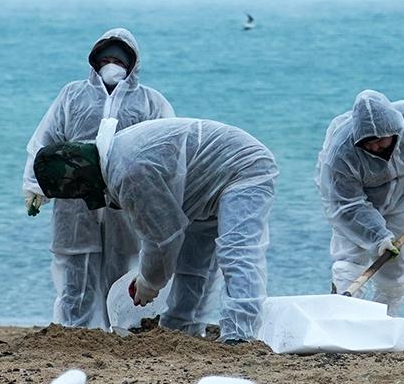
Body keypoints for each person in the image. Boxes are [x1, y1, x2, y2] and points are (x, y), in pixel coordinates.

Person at [34, 118, 276, 343]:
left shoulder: (129, 172)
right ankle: (180, 328)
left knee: (236, 251)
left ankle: (241, 334)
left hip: (243, 169)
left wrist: (149, 283)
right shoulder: (113, 157)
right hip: (206, 182)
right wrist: (150, 276)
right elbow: (166, 234)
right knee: (191, 264)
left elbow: (162, 238)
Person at [22, 28, 174, 328]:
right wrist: (34, 185)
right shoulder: (72, 94)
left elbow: (167, 149)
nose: (112, 64)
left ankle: (124, 329)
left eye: (119, 59)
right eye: (106, 58)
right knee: (75, 273)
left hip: (125, 203)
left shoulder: (150, 102)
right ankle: (71, 330)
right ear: (94, 60)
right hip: (76, 203)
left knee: (123, 272)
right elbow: (45, 139)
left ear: (132, 64)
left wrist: (164, 200)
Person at [314, 89, 404, 315]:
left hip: (396, 195)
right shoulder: (340, 153)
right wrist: (378, 237)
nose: (375, 147)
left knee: (395, 267)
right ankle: (343, 316)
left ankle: (383, 318)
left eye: (380, 141)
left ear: (395, 131)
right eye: (368, 143)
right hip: (349, 204)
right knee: (350, 259)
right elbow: (346, 205)